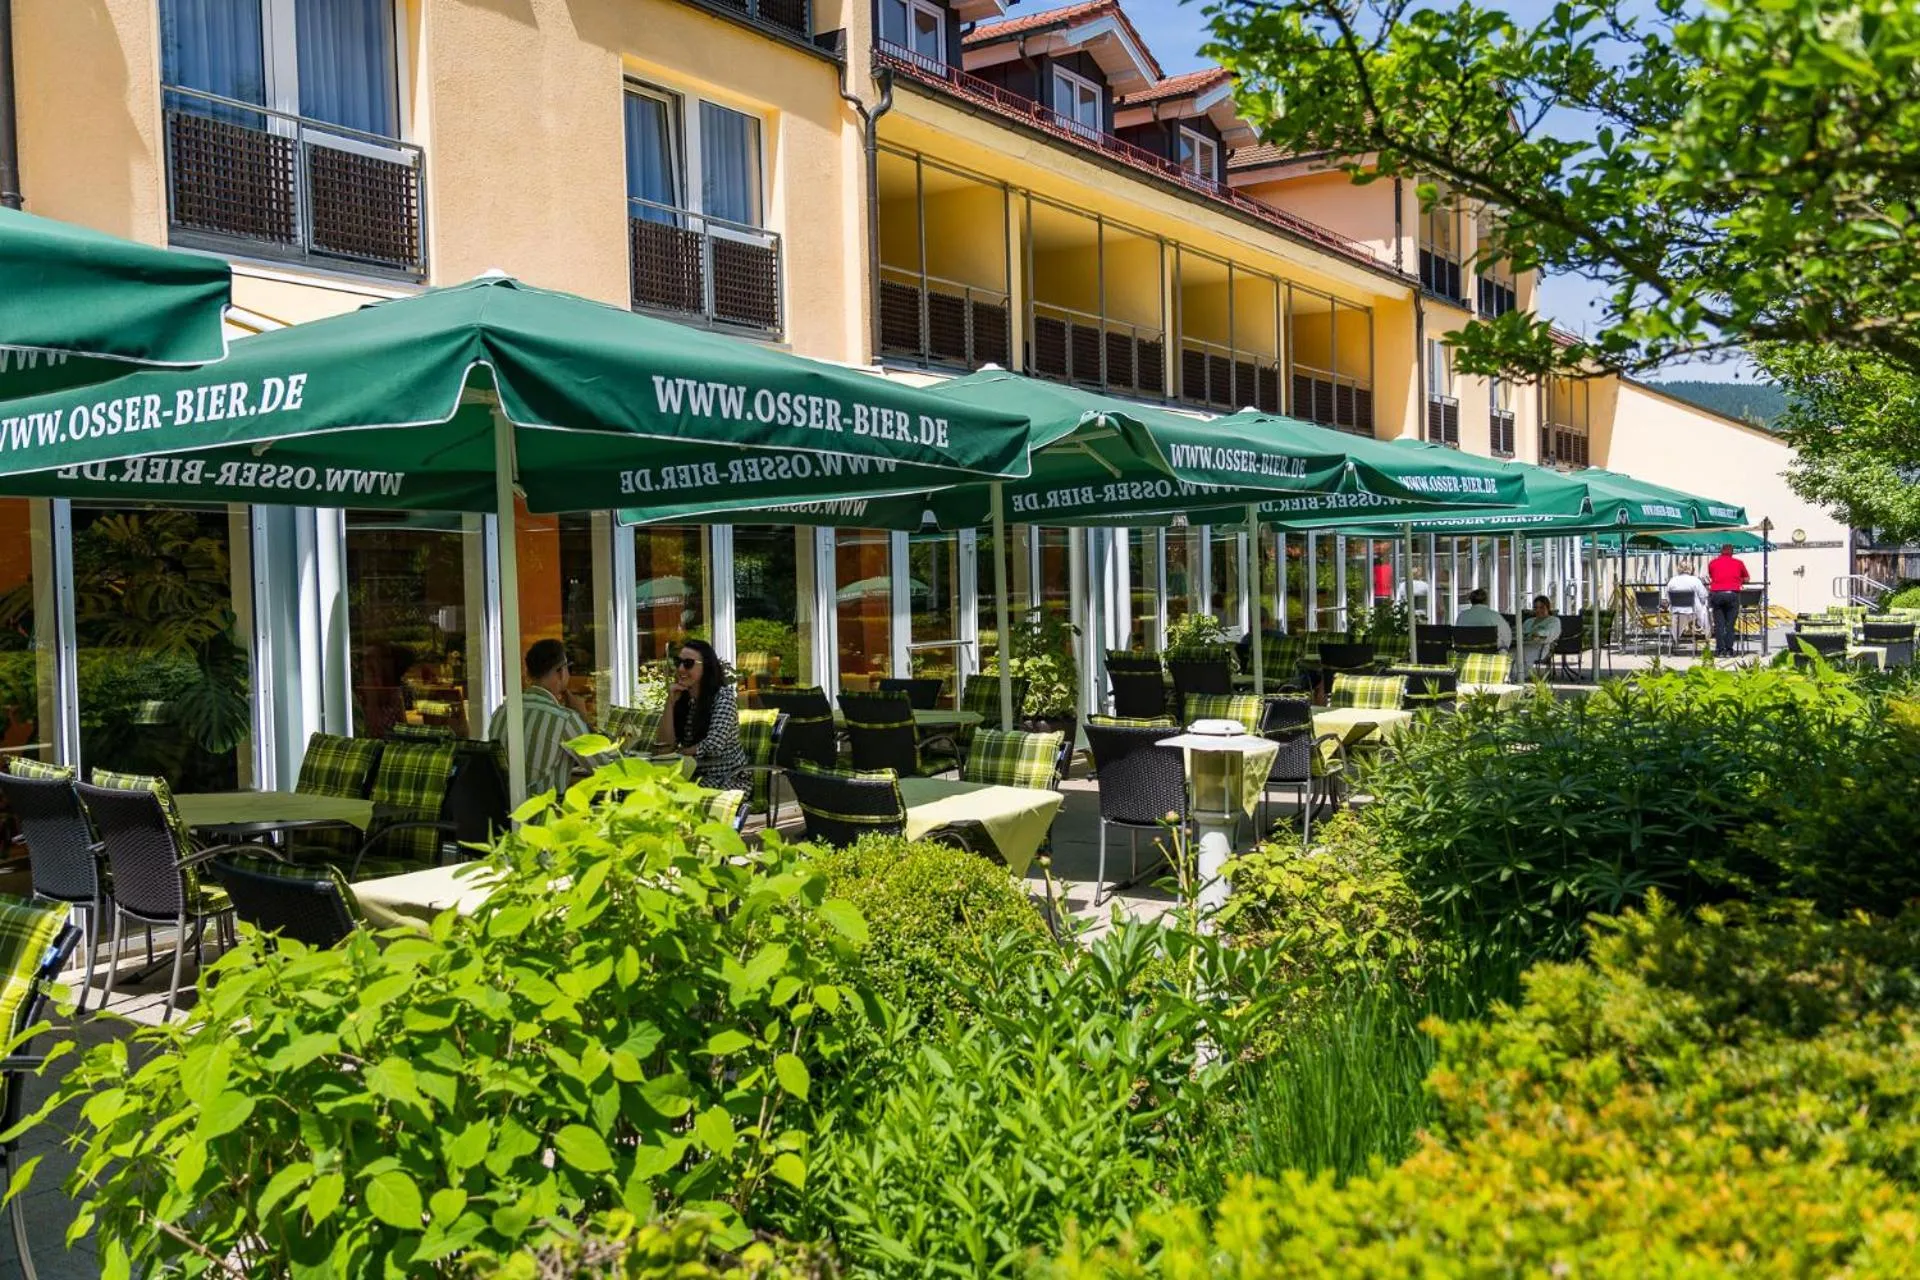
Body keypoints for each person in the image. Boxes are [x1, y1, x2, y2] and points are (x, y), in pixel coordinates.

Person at [487, 638, 591, 798]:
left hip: (503, 816)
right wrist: (584, 718)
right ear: (561, 672)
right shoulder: (564, 719)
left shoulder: (501, 712)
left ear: (528, 674)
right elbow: (605, 767)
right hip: (545, 817)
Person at [654, 638, 748, 792]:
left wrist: (679, 753)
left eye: (688, 663)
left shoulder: (723, 698)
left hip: (725, 779)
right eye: (678, 662)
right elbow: (663, 747)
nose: (681, 669)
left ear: (706, 667)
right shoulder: (683, 699)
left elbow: (714, 745)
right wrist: (669, 703)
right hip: (691, 776)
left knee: (664, 792)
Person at [1705, 543, 1751, 657]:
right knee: (1730, 624)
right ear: (1732, 552)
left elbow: (1712, 576)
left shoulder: (1713, 563)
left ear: (1721, 551)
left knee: (1719, 624)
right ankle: (1729, 650)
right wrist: (1738, 580)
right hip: (1732, 594)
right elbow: (1747, 578)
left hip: (1717, 594)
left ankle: (1720, 650)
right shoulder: (1739, 563)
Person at [1662, 561, 1710, 647]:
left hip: (1677, 611)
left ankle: (1675, 638)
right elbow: (1703, 596)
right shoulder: (1695, 580)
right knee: (1705, 610)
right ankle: (1707, 635)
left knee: (1677, 619)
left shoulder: (1672, 580)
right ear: (1690, 568)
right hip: (1693, 611)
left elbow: (1667, 598)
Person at [1522, 595, 1563, 669]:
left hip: (1541, 649)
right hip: (1524, 646)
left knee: (1520, 654)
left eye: (1541, 607)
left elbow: (1550, 633)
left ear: (1548, 607)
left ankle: (1522, 675)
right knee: (1508, 653)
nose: (1538, 610)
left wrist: (1539, 634)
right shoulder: (1528, 621)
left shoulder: (1554, 621)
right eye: (1535, 608)